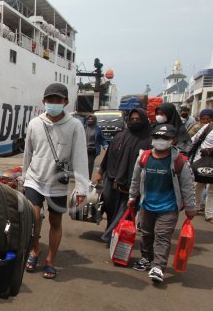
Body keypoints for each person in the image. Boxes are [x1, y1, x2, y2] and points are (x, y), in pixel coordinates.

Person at [22, 83, 89, 280]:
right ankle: (35, 250)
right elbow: (28, 153)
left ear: (65, 102)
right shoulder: (34, 123)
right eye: (50, 100)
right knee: (32, 218)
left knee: (55, 221)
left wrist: (82, 188)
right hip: (34, 178)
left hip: (58, 182)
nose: (53, 103)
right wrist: (24, 178)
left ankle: (50, 260)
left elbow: (80, 157)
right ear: (44, 101)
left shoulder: (75, 125)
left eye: (58, 100)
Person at [128, 124, 197, 284]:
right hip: (147, 205)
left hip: (168, 207)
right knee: (146, 234)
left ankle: (158, 267)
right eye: (157, 137)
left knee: (162, 236)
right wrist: (132, 196)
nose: (160, 141)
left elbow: (187, 186)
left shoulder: (180, 161)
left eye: (165, 138)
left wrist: (190, 207)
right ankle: (146, 258)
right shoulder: (144, 158)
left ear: (173, 140)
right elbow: (136, 179)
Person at [95, 108, 152, 242]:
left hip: (133, 183)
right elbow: (108, 156)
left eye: (138, 119)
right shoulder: (119, 137)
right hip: (112, 179)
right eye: (132, 119)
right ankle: (112, 233)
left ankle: (112, 236)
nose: (134, 121)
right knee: (110, 209)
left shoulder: (149, 140)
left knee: (125, 212)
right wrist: (100, 172)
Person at [84, 113, 106, 178]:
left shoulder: (98, 129)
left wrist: (106, 146)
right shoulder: (83, 127)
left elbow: (102, 139)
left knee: (89, 164)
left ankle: (88, 179)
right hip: (83, 149)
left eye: (91, 120)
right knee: (82, 164)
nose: (90, 121)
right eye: (88, 119)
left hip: (92, 150)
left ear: (94, 120)